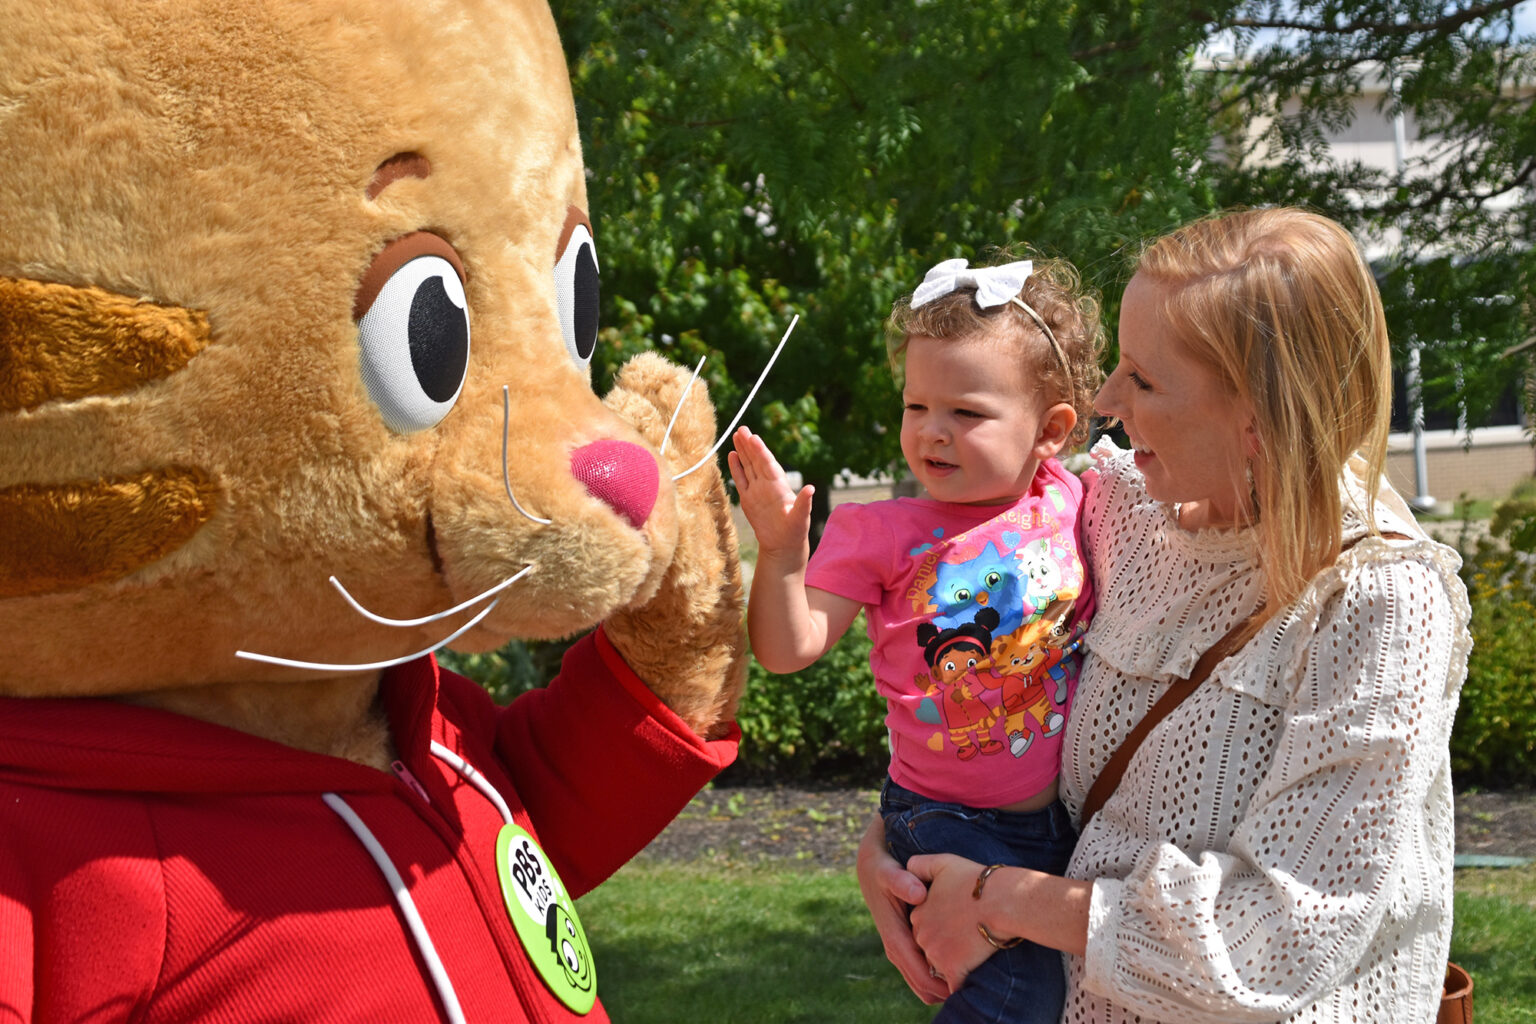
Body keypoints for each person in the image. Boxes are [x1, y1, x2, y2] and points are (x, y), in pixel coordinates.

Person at [856, 207, 1473, 1024]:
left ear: (1258, 416)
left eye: (1144, 379)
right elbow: (1002, 697)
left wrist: (996, 898)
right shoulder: (1120, 510)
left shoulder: (1380, 601)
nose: (1107, 400)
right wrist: (898, 839)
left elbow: (1279, 938)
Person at [730, 251, 1105, 1023]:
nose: (932, 433)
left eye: (966, 413)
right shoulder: (879, 532)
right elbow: (788, 648)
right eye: (916, 408)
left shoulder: (1075, 498)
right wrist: (779, 554)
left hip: (1060, 823)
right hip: (944, 820)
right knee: (1015, 1001)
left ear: (1052, 431)